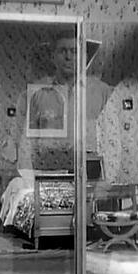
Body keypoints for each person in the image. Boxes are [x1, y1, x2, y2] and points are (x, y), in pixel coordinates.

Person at [16, 30, 113, 170]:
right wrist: (27, 178)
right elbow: (27, 143)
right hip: (48, 172)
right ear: (53, 56)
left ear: (84, 57)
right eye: (62, 51)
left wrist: (108, 177)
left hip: (88, 173)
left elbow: (111, 140)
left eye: (74, 51)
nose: (68, 57)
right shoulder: (38, 94)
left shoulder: (102, 92)